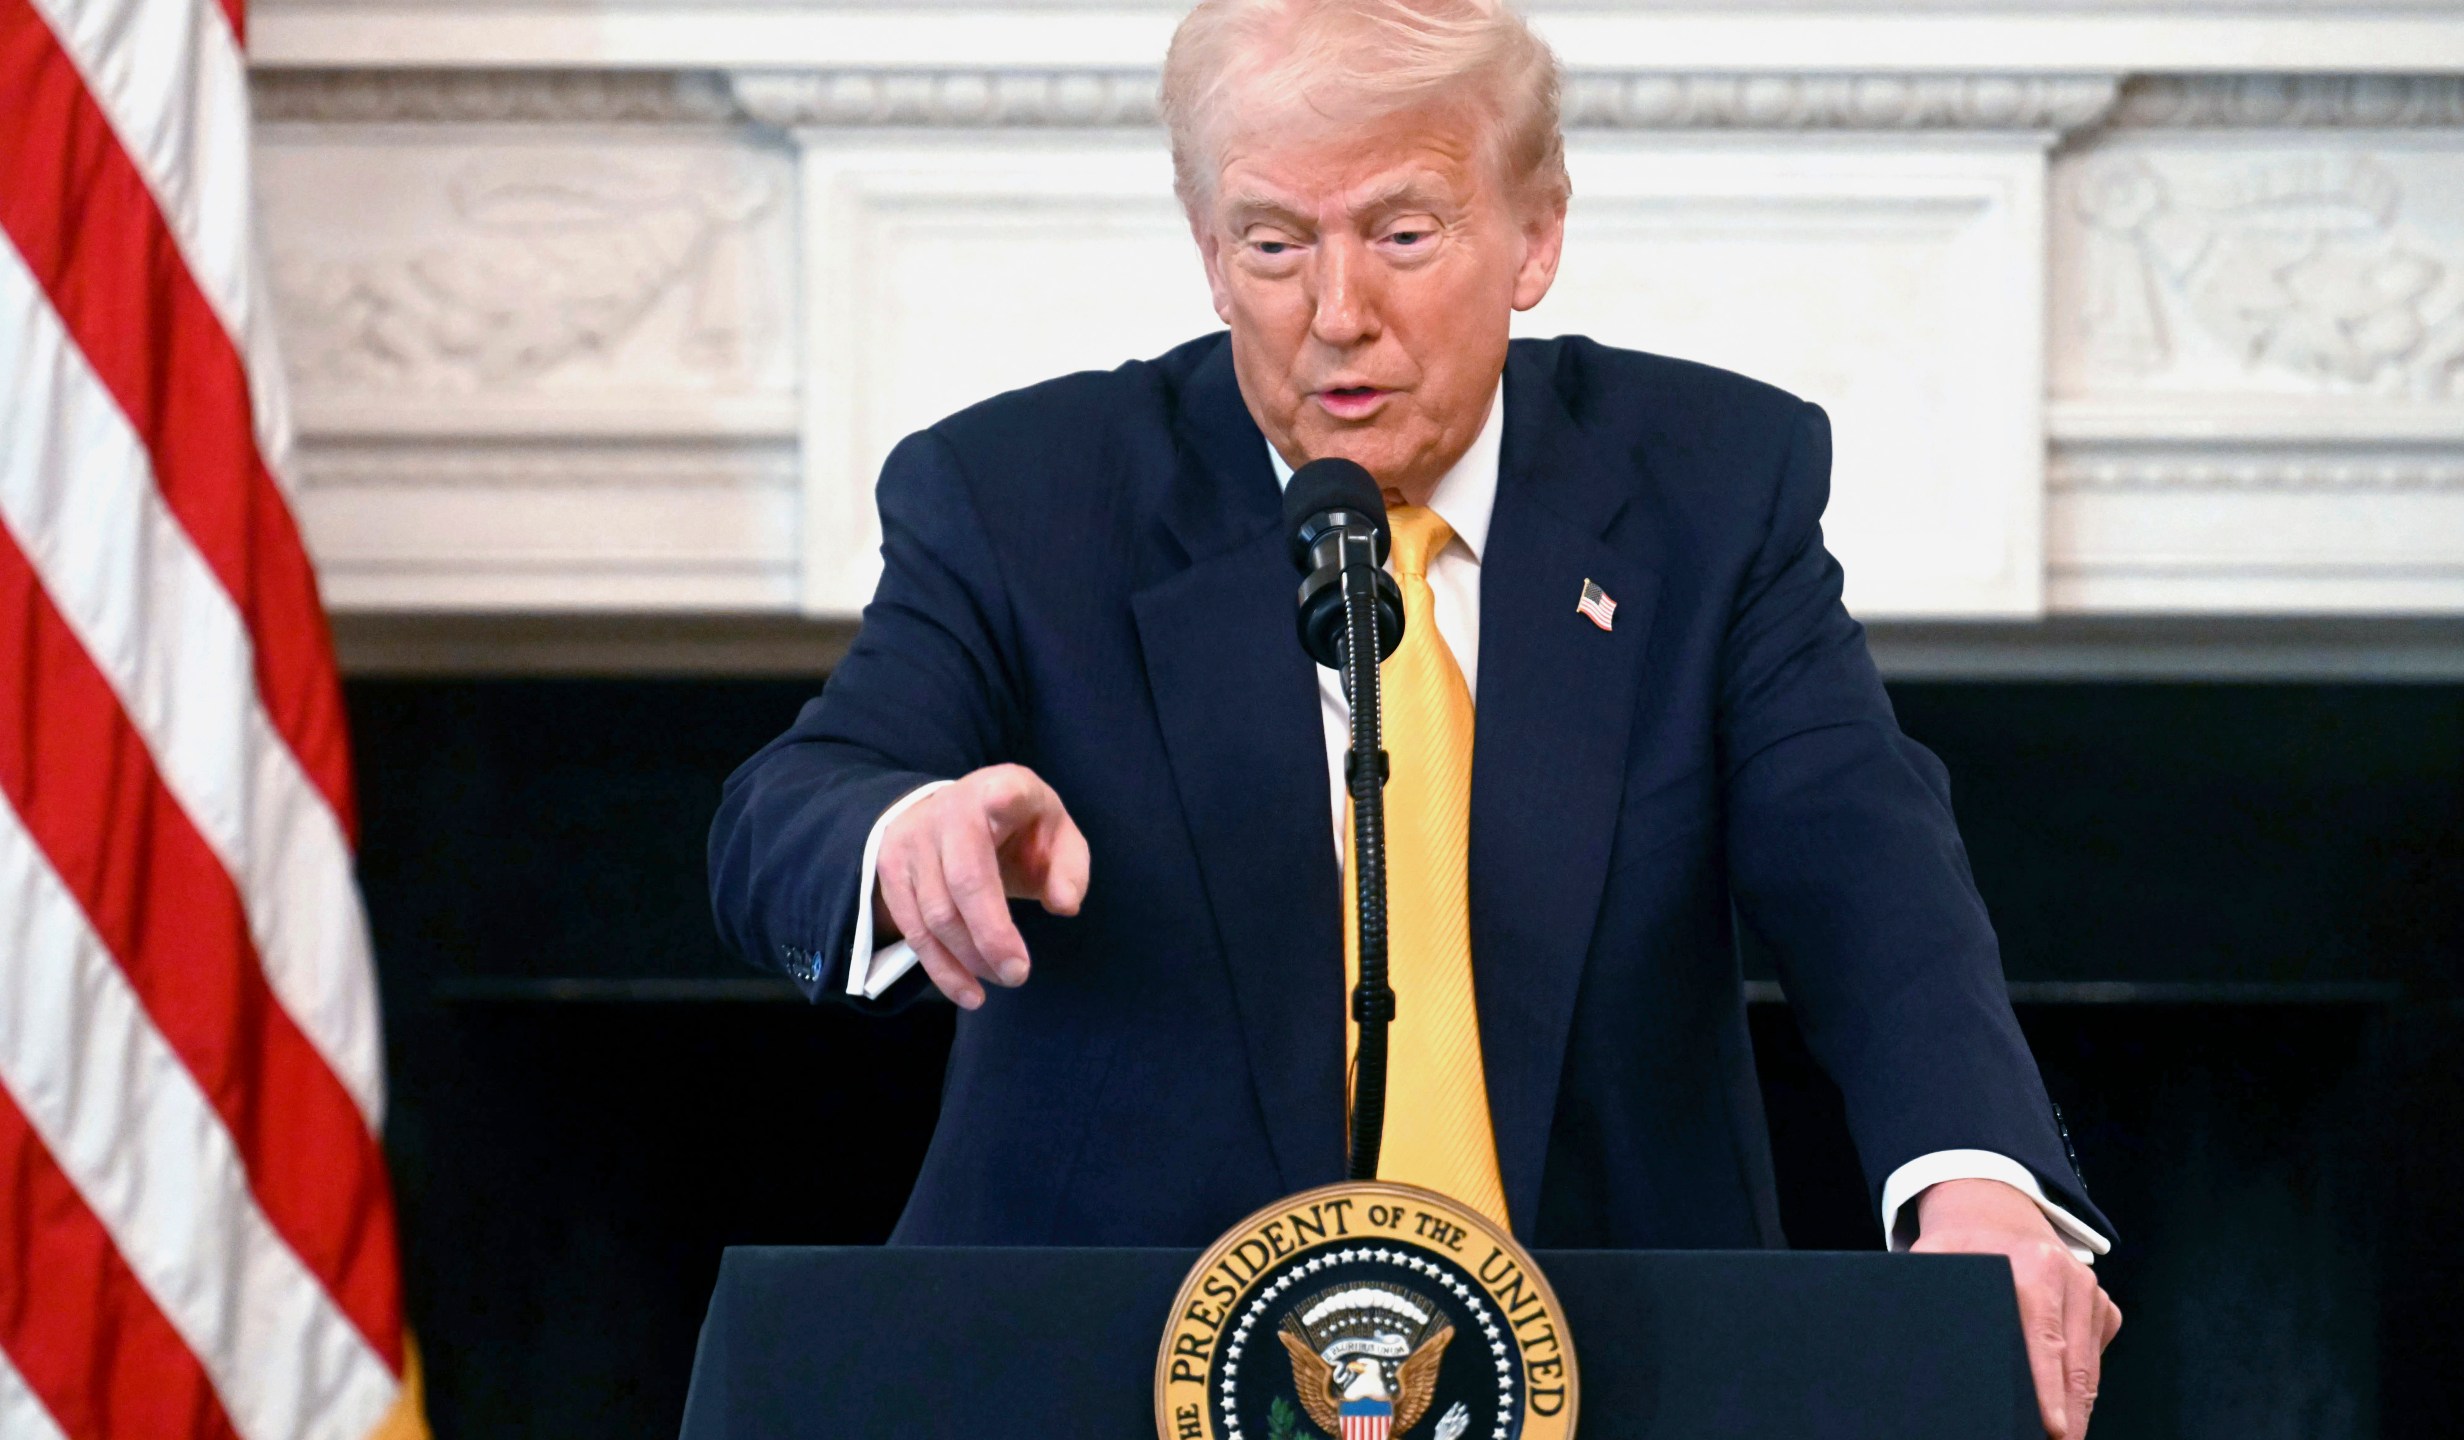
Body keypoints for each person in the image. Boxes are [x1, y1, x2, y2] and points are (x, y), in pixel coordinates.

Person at [707, 2, 2122, 1435]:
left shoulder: (1710, 484)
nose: (1338, 312)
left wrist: (1978, 1181)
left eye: (1402, 233)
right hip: (1101, 1371)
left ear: (1535, 236)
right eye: (1274, 244)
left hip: (1618, 1365)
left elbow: (1864, 857)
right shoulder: (1022, 494)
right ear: (1209, 252)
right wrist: (905, 832)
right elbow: (795, 803)